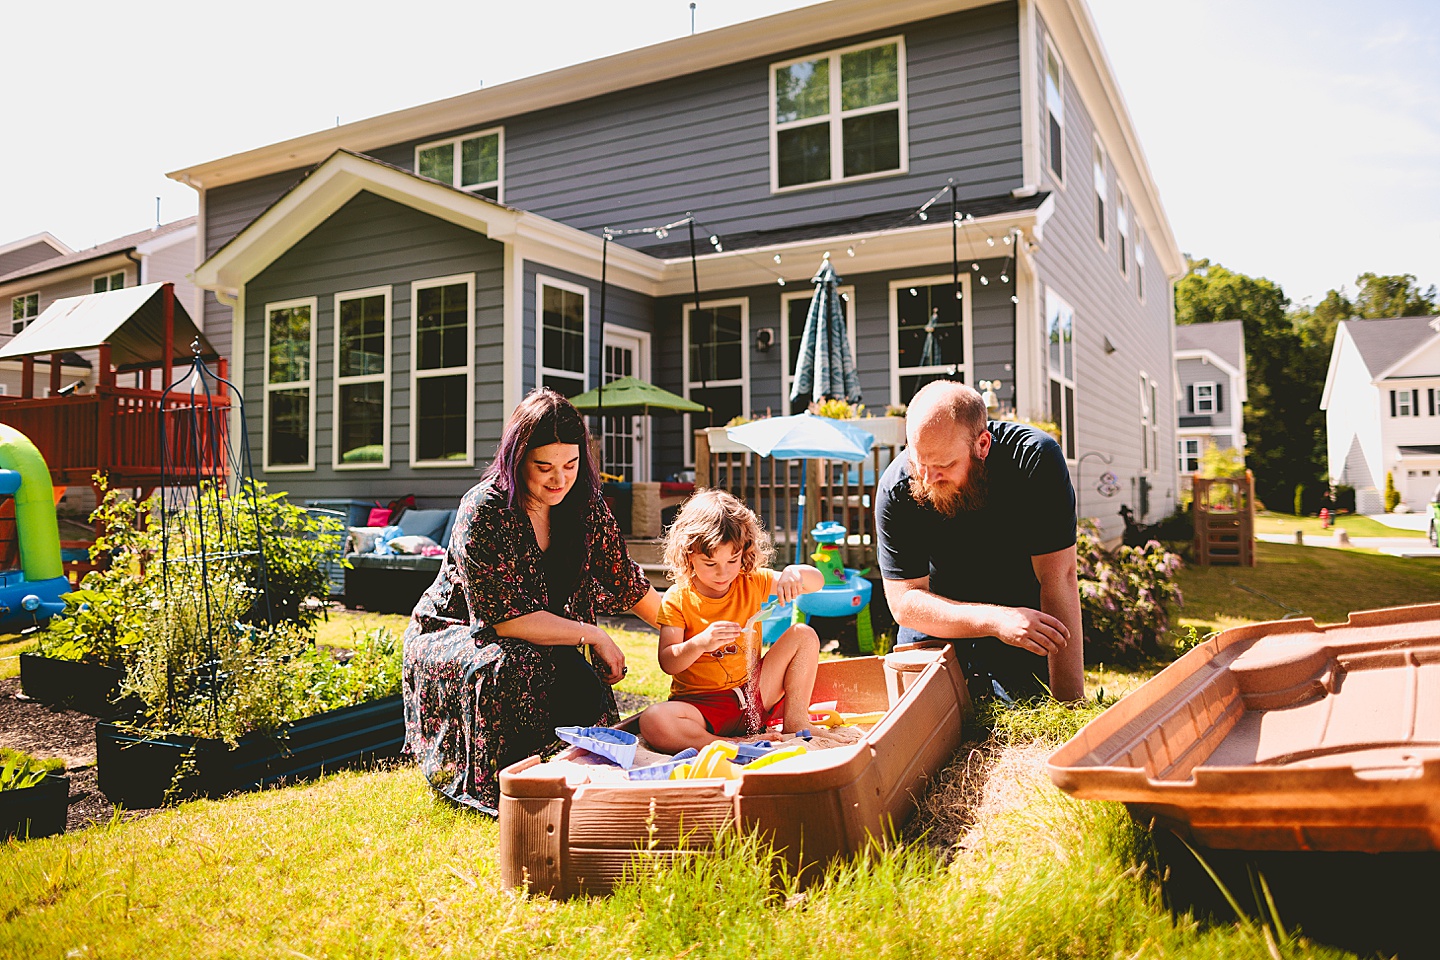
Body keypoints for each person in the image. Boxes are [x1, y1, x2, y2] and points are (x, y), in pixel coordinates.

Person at [402, 388, 662, 814]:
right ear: (517, 458)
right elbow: (504, 621)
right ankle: (508, 783)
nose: (559, 479)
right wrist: (592, 634)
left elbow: (628, 584)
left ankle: (574, 770)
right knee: (516, 662)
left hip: (541, 635)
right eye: (544, 467)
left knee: (576, 677)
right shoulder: (484, 510)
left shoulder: (586, 506)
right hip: (457, 633)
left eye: (571, 465)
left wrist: (695, 630)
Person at [875, 381, 1084, 702]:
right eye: (920, 463)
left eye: (944, 465)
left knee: (1024, 712)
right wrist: (993, 619)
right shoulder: (896, 487)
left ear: (982, 444)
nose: (928, 479)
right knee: (924, 728)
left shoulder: (1035, 461)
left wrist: (1070, 707)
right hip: (939, 623)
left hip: (1020, 624)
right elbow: (905, 603)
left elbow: (1059, 578)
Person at [638, 490, 824, 752]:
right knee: (654, 720)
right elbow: (668, 662)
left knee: (803, 634)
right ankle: (728, 744)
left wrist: (795, 573)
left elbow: (817, 582)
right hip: (701, 708)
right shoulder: (677, 598)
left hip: (754, 695)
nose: (723, 572)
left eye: (732, 560)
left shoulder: (751, 581)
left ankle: (796, 720)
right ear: (688, 554)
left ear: (744, 553)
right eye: (710, 563)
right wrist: (700, 643)